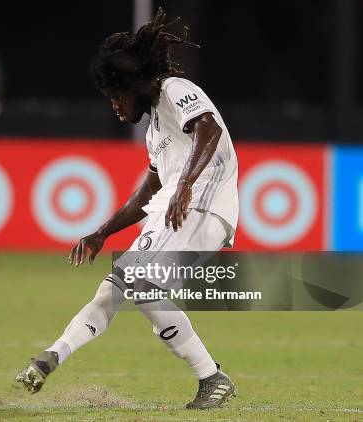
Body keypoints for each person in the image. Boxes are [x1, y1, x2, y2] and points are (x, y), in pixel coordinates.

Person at [16, 8, 239, 410]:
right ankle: (50, 358)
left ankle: (212, 377)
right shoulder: (154, 129)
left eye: (116, 96)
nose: (115, 106)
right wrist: (102, 231)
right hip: (177, 205)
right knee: (117, 287)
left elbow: (209, 127)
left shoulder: (174, 89)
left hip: (204, 201)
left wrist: (186, 185)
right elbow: (149, 189)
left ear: (133, 84)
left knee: (143, 285)